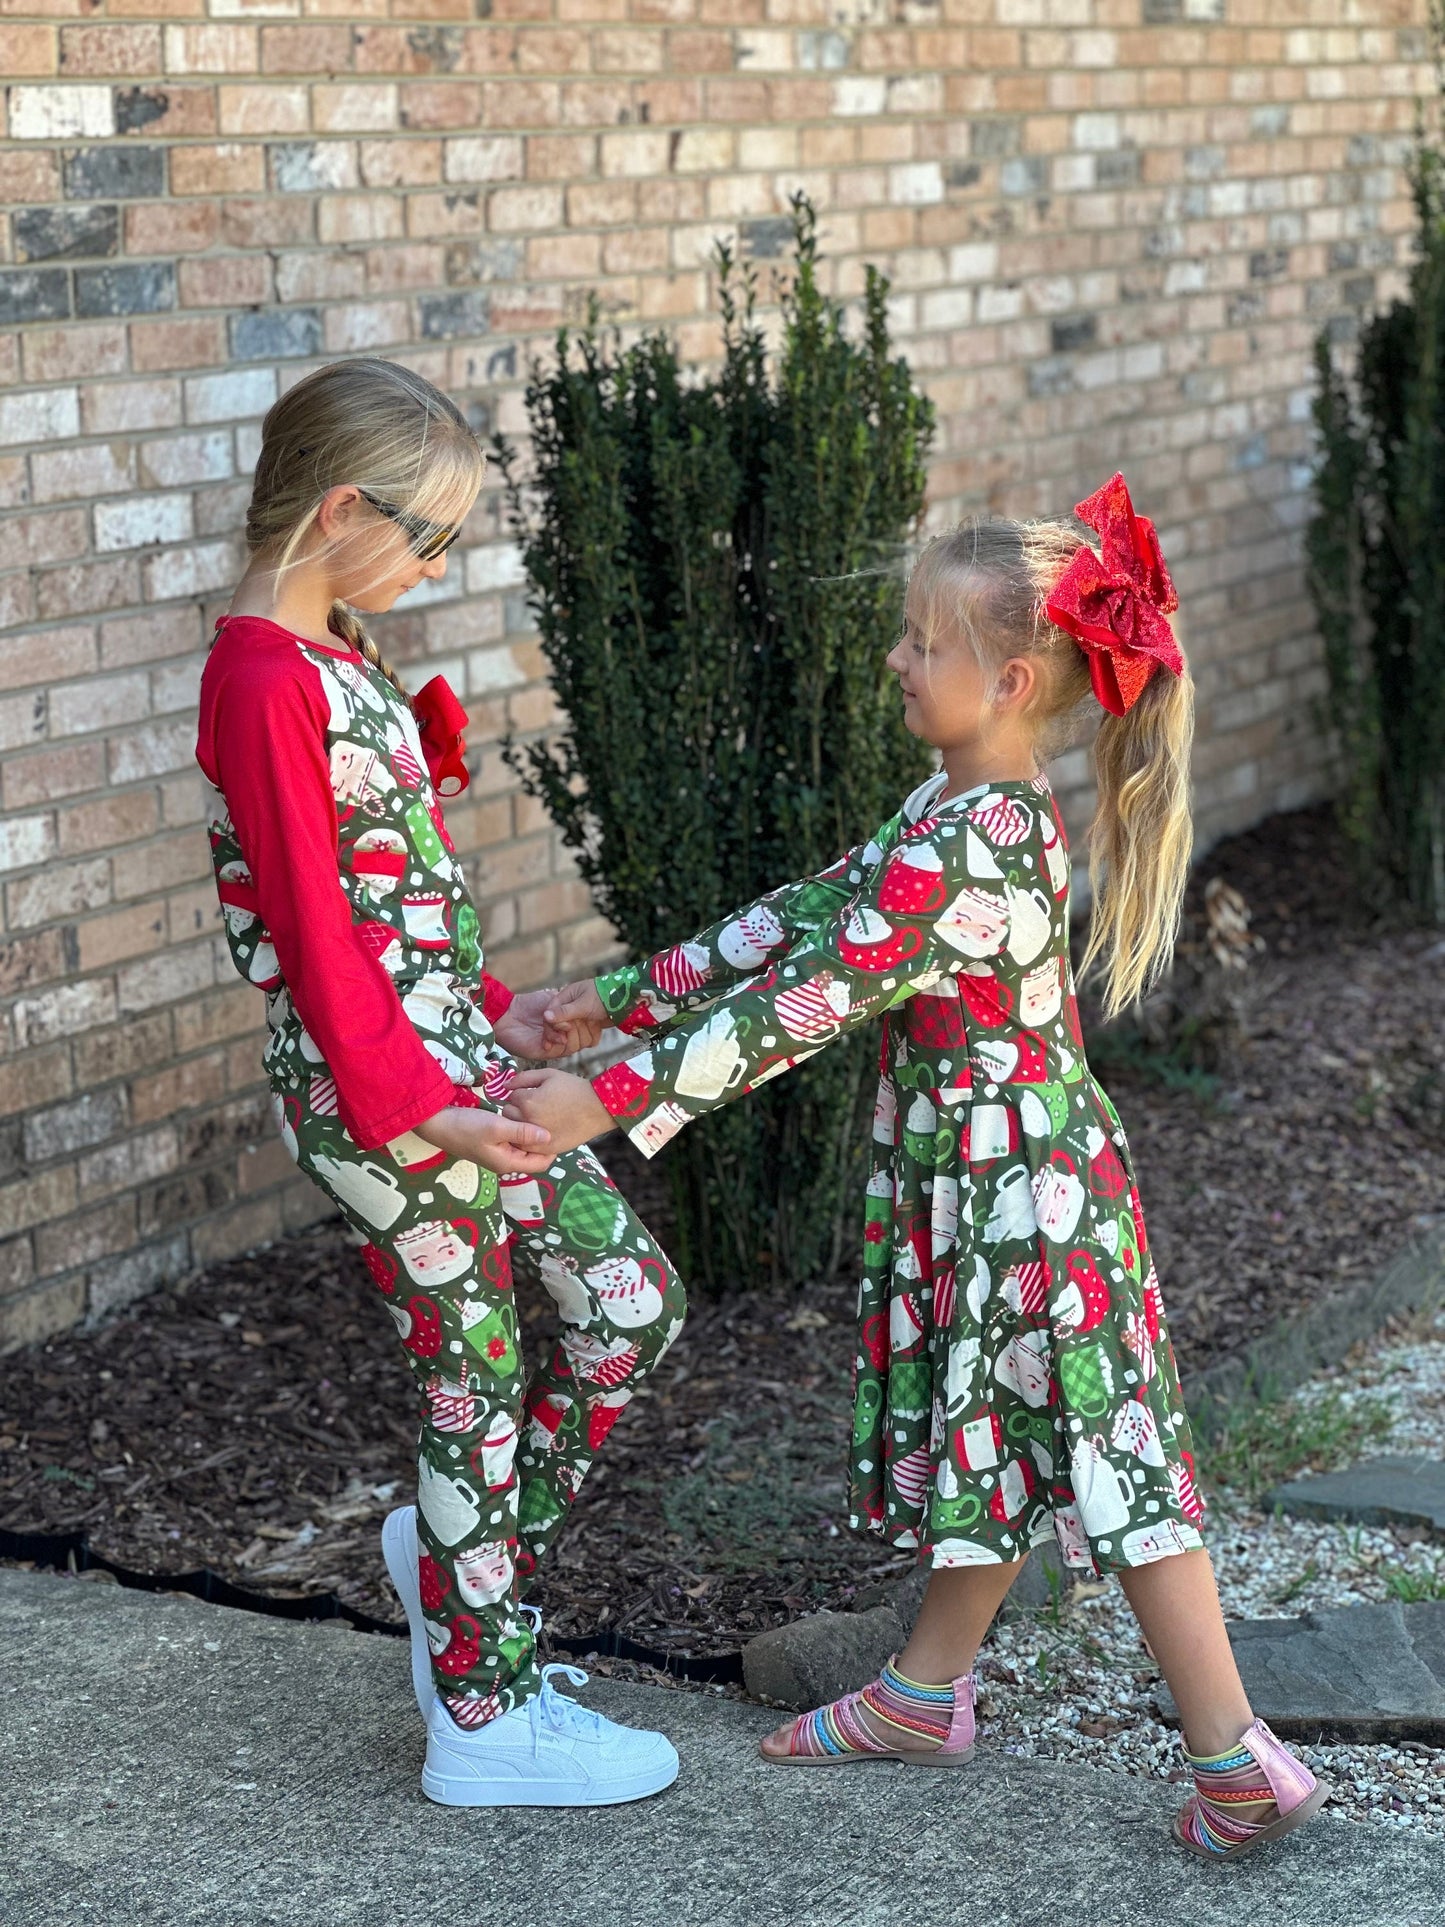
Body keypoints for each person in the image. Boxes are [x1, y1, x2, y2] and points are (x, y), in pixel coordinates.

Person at [510, 476, 1331, 1858]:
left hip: (1029, 1198)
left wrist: (601, 1098)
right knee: (997, 1438)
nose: (893, 658)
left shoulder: (977, 846)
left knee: (1115, 1464)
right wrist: (626, 997)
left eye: (916, 642)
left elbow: (808, 1002)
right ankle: (919, 1694)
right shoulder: (953, 802)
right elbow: (811, 914)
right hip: (986, 1179)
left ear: (1007, 679)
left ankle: (1232, 1757)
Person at [194, 356, 679, 1809]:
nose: (433, 564)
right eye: (426, 536)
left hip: (438, 1064)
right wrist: (420, 1100)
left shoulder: (333, 649)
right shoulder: (261, 678)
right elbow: (312, 933)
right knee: (473, 1388)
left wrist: (488, 1021)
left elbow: (394, 895)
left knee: (626, 1307)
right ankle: (482, 1715)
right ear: (341, 506)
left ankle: (455, 1568)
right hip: (381, 1094)